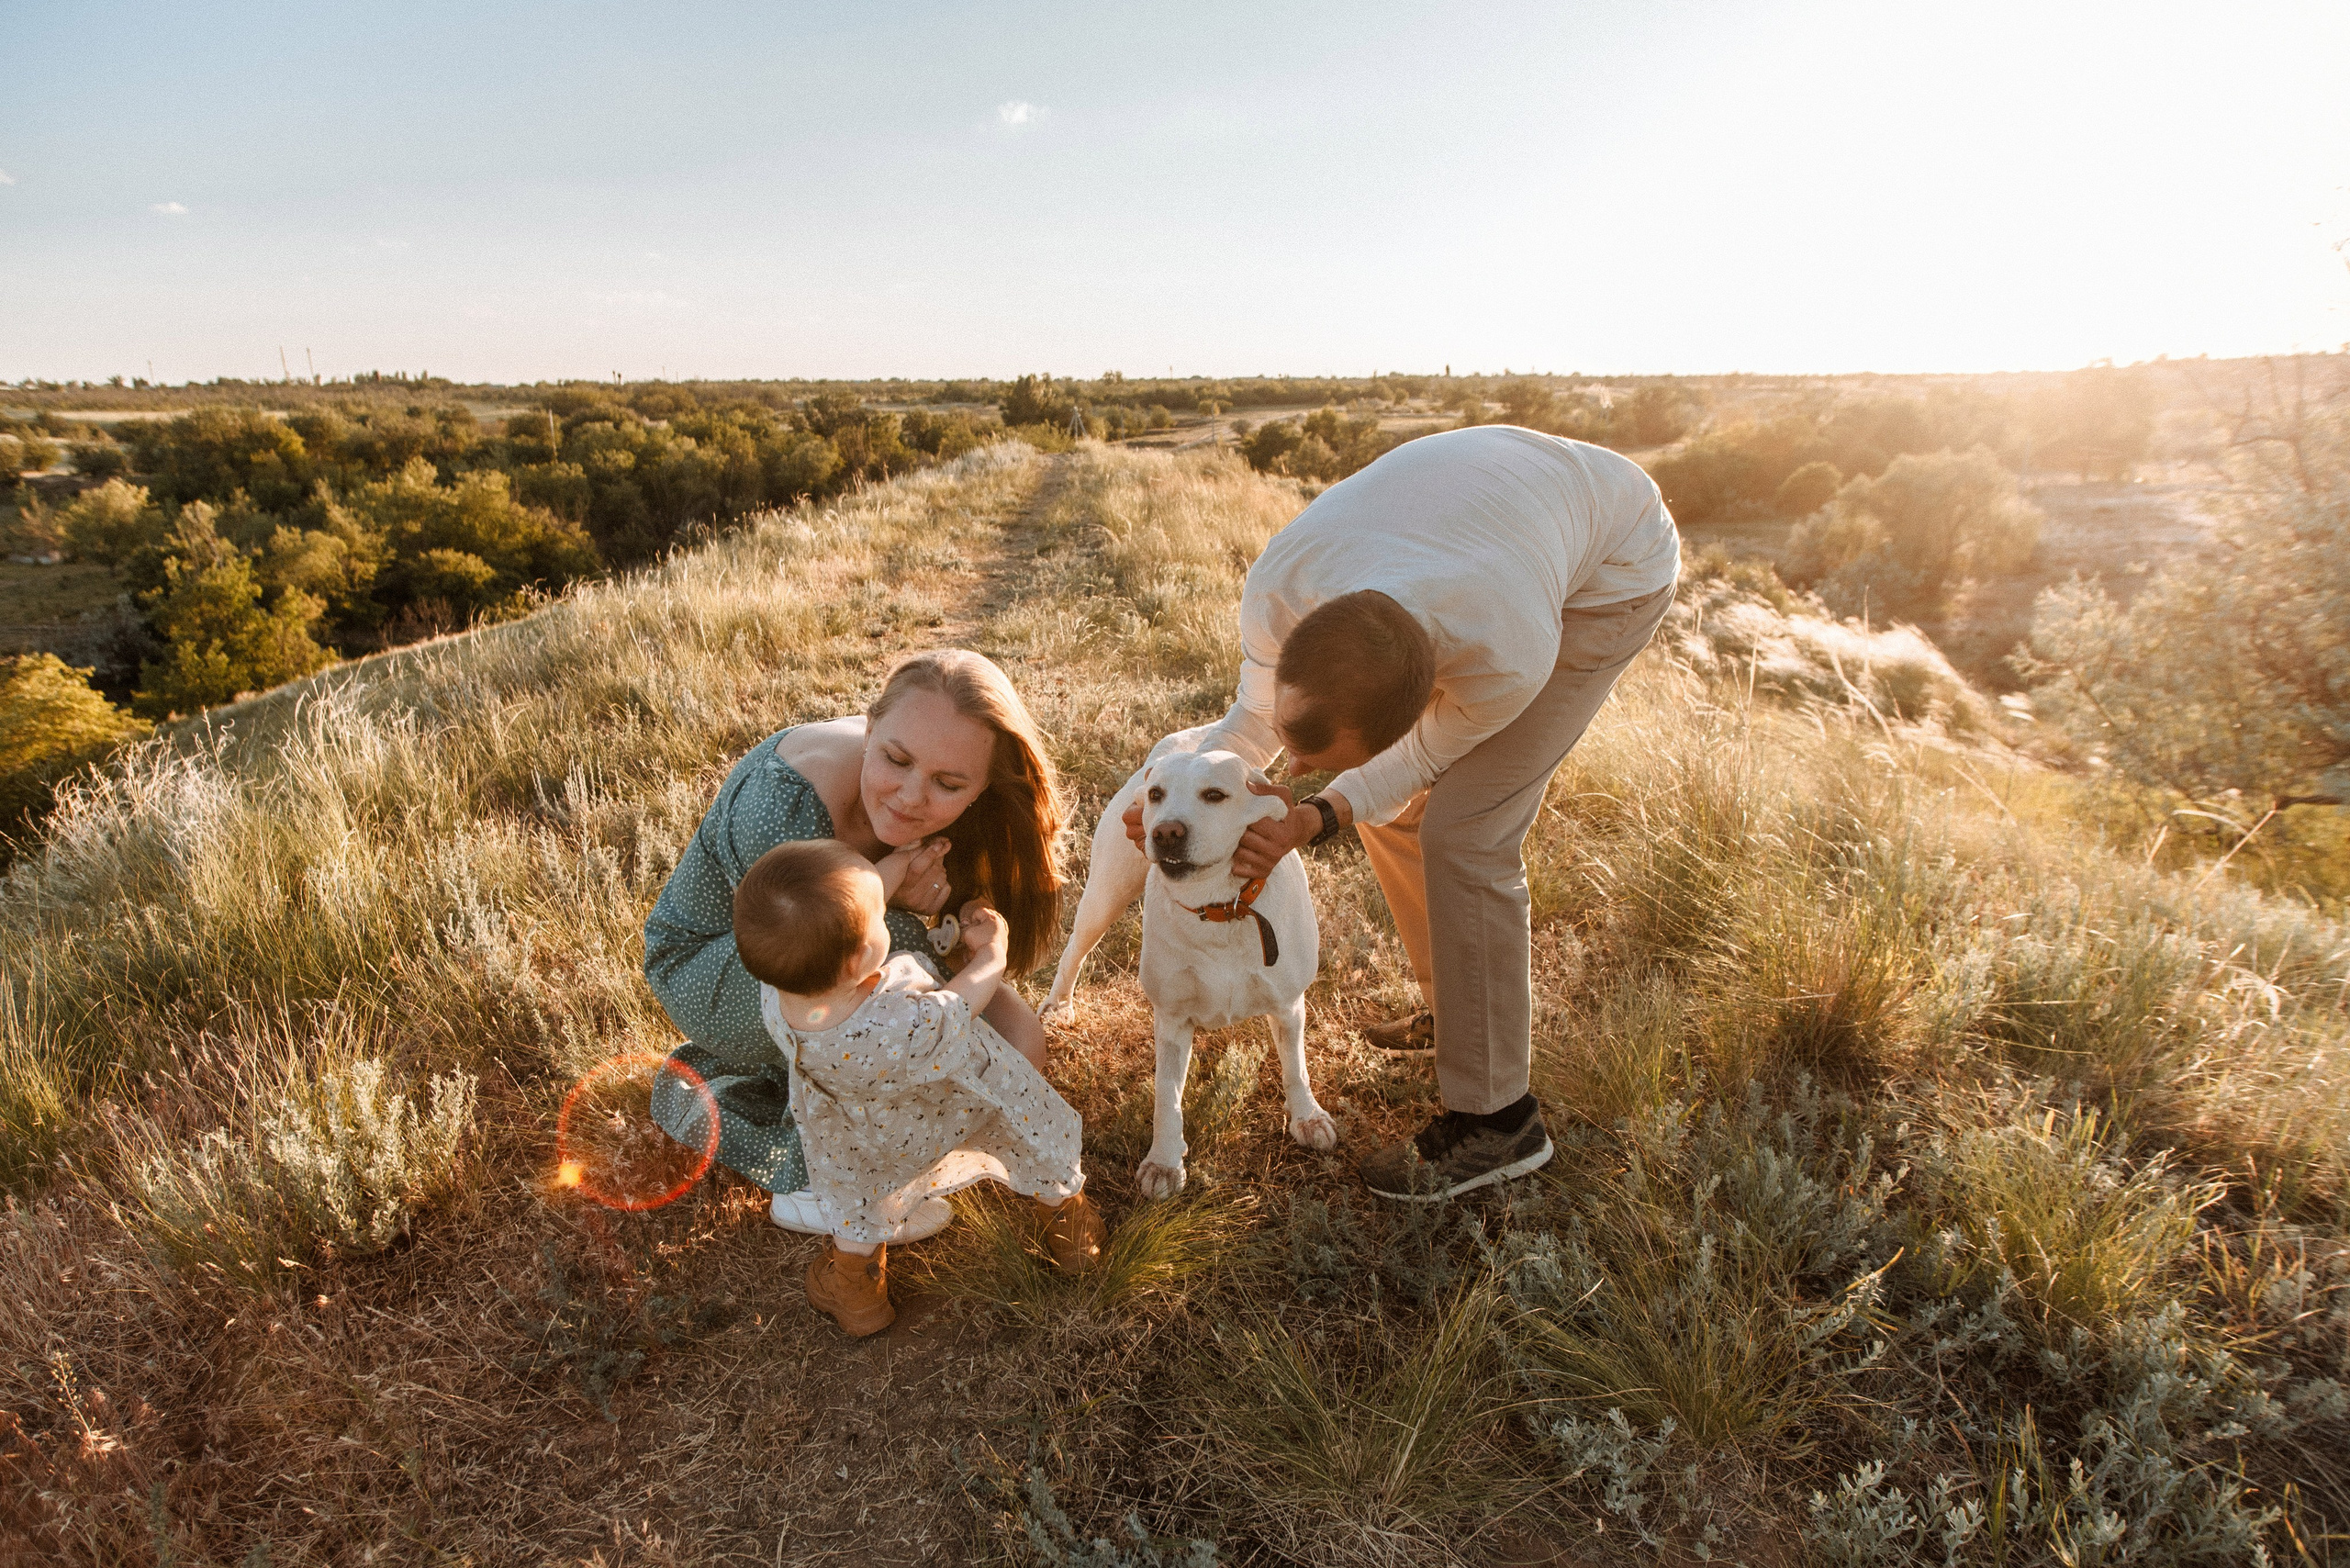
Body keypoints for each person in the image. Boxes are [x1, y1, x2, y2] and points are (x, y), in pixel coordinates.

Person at [1137, 423, 1679, 1201]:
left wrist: (1315, 816)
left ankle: (1498, 1122)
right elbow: (1251, 724)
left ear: (1419, 705)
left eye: (1320, 758)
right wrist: (1171, 794)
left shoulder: (1507, 655)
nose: (1292, 770)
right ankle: (1454, 1011)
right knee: (1388, 812)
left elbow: (1417, 762)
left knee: (1464, 829)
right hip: (1493, 518)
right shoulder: (1280, 589)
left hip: (1614, 565)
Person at [644, 649, 1066, 1238]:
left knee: (1020, 1045)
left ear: (982, 784)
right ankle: (819, 1178)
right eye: (895, 759)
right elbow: (807, 953)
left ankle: (875, 1139)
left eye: (949, 784)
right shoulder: (783, 807)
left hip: (868, 945)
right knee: (890, 1051)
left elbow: (956, 901)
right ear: (870, 728)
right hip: (736, 960)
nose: (913, 797)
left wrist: (968, 909)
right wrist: (909, 917)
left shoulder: (957, 768)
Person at [736, 839, 1102, 1337]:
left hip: (867, 1137)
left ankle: (857, 1294)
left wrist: (893, 868)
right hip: (961, 1104)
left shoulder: (780, 993)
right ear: (860, 958)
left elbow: (846, 912)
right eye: (877, 918)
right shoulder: (899, 1027)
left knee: (857, 1201)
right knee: (1031, 1138)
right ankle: (1073, 1234)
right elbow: (963, 1000)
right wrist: (994, 949)